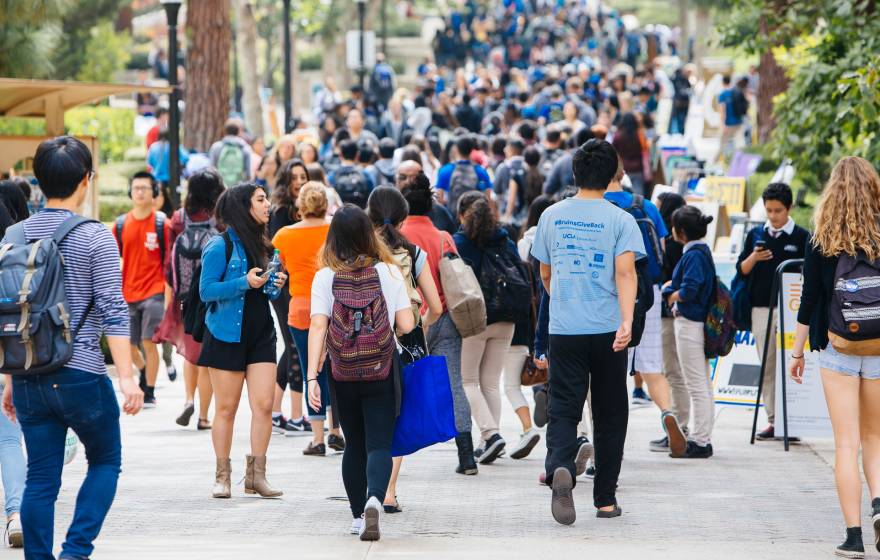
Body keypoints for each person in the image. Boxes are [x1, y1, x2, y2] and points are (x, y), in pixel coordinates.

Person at [1, 136, 143, 559]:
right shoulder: (95, 237)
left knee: (41, 477)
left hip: (29, 374)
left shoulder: (13, 234)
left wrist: (10, 377)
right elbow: (114, 311)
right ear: (86, 180)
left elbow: (9, 314)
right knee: (104, 461)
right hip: (81, 373)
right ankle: (76, 552)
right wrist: (128, 379)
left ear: (40, 181)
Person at [531, 139, 644, 524]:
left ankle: (561, 465)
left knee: (564, 405)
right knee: (610, 412)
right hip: (609, 329)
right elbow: (626, 273)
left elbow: (545, 273)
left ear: (575, 173)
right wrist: (626, 320)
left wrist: (563, 298)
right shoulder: (621, 220)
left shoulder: (551, 215)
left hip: (565, 329)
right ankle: (606, 499)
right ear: (613, 175)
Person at [789, 157, 880, 559]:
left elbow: (809, 300)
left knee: (846, 444)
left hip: (837, 346)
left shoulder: (820, 238)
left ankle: (854, 536)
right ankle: (879, 505)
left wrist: (797, 351)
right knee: (875, 438)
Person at [305, 204, 414, 540]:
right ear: (369, 235)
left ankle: (357, 516)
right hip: (382, 368)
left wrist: (312, 375)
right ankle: (375, 500)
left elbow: (318, 325)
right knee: (380, 443)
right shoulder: (390, 272)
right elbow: (406, 325)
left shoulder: (325, 277)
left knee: (354, 444)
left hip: (343, 372)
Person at [197, 183, 287, 499]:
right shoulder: (218, 246)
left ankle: (256, 476)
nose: (267, 205)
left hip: (261, 334)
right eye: (261, 200)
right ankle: (222, 476)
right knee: (226, 408)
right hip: (225, 334)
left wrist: (275, 284)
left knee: (263, 405)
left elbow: (270, 294)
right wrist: (243, 282)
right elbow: (206, 291)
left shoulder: (268, 247)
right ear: (242, 206)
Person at [367, 186, 443, 512]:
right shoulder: (413, 254)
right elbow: (437, 306)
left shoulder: (360, 254)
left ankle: (370, 485)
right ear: (403, 218)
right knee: (400, 413)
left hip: (367, 341)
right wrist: (418, 326)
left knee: (372, 415)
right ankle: (389, 490)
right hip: (407, 341)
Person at [604, 162, 686, 453]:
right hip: (647, 291)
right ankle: (667, 413)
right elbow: (661, 250)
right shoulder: (646, 205)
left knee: (611, 372)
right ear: (622, 173)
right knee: (651, 366)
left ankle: (613, 444)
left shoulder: (597, 206)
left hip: (610, 292)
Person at [400, 172, 478, 475]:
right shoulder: (444, 237)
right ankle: (466, 453)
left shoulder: (397, 238)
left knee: (402, 384)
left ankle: (396, 457)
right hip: (444, 317)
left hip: (406, 320)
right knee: (455, 382)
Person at [272, 182, 346, 455]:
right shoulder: (336, 229)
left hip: (301, 308)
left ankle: (317, 437)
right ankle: (336, 430)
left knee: (310, 371)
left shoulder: (283, 236)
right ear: (325, 204)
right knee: (336, 370)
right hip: (336, 305)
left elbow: (278, 271)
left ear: (300, 206)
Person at [736, 183, 809, 440]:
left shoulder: (802, 237)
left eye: (778, 210)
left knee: (792, 363)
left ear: (788, 208)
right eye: (768, 210)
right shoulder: (756, 234)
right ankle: (774, 420)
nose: (773, 216)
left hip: (792, 311)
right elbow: (741, 271)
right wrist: (754, 258)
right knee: (767, 365)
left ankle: (794, 420)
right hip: (761, 308)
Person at [454, 191, 522, 464]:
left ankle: (491, 435)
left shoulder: (460, 242)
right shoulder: (506, 239)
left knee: (467, 380)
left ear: (461, 215)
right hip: (507, 316)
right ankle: (490, 442)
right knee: (490, 383)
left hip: (476, 319)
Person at [160, 168, 224, 431]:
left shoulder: (179, 218)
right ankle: (204, 416)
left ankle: (188, 399)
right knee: (206, 357)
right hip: (212, 293)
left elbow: (168, 259)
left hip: (185, 294)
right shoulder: (220, 219)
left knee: (190, 352)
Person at [113, 171, 173, 408]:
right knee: (128, 345)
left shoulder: (162, 224)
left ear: (154, 193)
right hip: (127, 293)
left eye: (144, 188)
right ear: (130, 192)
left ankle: (148, 391)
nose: (139, 192)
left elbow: (170, 263)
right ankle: (145, 370)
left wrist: (169, 298)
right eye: (136, 187)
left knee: (149, 342)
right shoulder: (119, 224)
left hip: (155, 292)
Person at [662, 205, 717, 459]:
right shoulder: (700, 251)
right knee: (702, 383)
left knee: (696, 384)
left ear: (680, 231)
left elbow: (691, 288)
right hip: (697, 322)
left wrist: (673, 294)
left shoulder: (693, 255)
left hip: (690, 322)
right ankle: (702, 436)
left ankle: (701, 440)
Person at [268, 160, 310, 435]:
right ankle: (295, 416)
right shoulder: (282, 212)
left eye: (303, 176)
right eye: (293, 177)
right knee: (294, 345)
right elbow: (276, 253)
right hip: (285, 286)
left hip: (300, 287)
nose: (298, 181)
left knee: (292, 345)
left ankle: (274, 410)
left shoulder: (305, 210)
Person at [650, 192, 692, 454]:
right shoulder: (679, 244)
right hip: (673, 315)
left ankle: (680, 425)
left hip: (669, 314)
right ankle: (679, 424)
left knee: (673, 371)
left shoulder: (670, 244)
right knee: (675, 371)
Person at [435, 135, 492, 215]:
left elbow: (439, 197)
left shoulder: (445, 170)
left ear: (456, 149)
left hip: (452, 218)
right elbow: (488, 198)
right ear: (472, 150)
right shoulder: (481, 171)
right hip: (475, 218)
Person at [327, 139, 375, 208]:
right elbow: (371, 198)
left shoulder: (332, 176)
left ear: (340, 155)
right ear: (358, 155)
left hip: (339, 216)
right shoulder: (365, 175)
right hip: (361, 215)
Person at [611, 113, 649, 196]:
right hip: (638, 168)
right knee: (638, 193)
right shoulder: (640, 136)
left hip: (623, 168)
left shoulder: (618, 136)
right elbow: (645, 150)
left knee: (623, 191)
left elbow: (613, 151)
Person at [209, 120, 254, 187]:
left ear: (225, 132)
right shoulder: (245, 148)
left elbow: (211, 169)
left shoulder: (216, 147)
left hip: (221, 187)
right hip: (239, 187)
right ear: (238, 132)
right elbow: (249, 174)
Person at [718, 75, 748, 162]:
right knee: (739, 144)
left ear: (723, 83)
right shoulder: (736, 92)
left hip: (728, 123)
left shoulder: (722, 95)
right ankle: (740, 162)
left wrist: (723, 124)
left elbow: (722, 111)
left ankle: (716, 162)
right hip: (738, 122)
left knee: (722, 144)